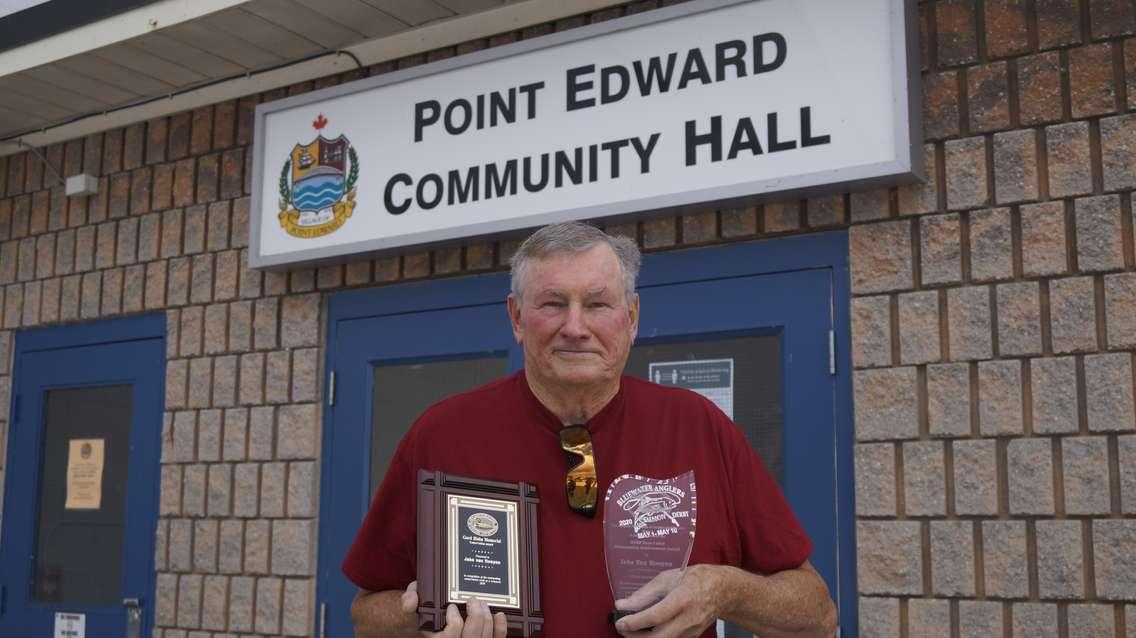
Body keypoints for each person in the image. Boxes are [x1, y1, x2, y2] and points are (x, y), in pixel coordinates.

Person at [344, 222, 838, 638]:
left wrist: (725, 590)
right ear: (517, 318)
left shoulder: (699, 425)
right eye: (552, 303)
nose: (575, 327)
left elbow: (818, 615)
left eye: (598, 304)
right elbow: (365, 614)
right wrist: (419, 618)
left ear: (632, 318)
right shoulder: (443, 433)